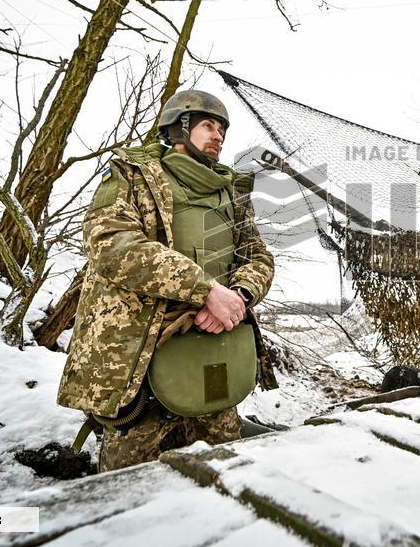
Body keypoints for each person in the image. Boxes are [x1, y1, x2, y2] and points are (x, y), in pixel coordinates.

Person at [57, 90, 277, 472]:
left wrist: (237, 296)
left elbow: (258, 257)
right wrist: (205, 290)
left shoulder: (232, 192)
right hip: (142, 359)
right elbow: (113, 245)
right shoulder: (132, 176)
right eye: (208, 125)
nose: (218, 135)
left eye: (222, 128)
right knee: (127, 486)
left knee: (224, 472)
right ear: (179, 127)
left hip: (214, 349)